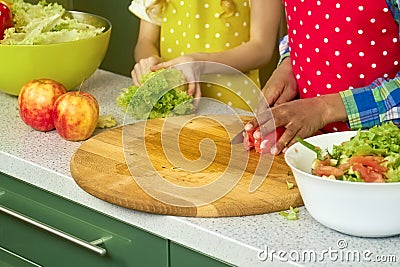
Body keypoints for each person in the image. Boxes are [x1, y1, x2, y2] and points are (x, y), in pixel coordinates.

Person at [246, 0, 400, 155]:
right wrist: (289, 64)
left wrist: (324, 109)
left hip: (383, 151)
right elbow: (310, 27)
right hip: (307, 147)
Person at [129, 0, 283, 111]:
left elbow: (262, 49)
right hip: (175, 110)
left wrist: (199, 62)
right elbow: (145, 41)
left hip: (234, 108)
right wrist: (149, 62)